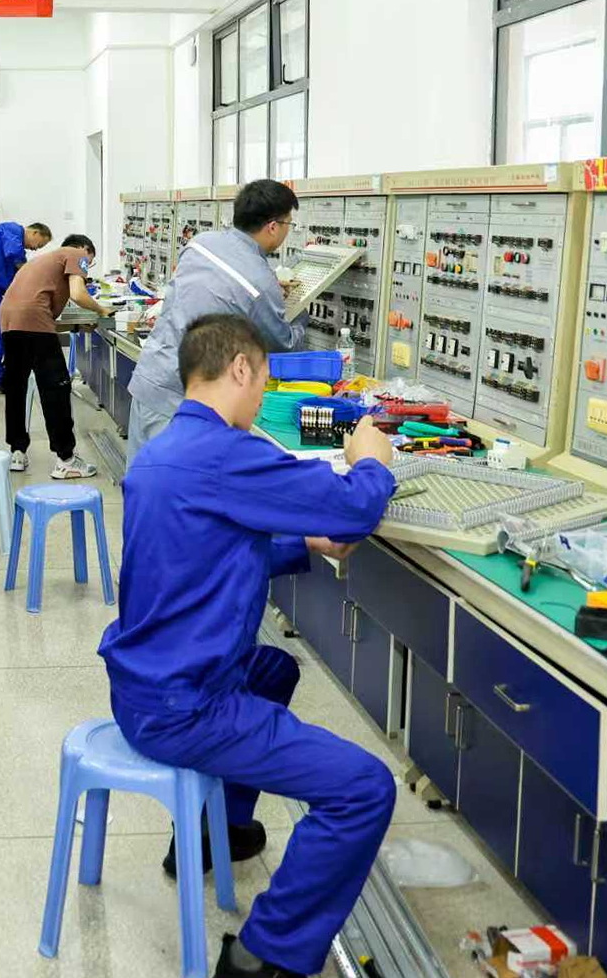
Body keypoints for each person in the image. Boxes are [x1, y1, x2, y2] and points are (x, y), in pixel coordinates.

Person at [98, 314, 397, 978]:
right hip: (186, 707)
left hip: (141, 682)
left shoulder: (166, 451)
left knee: (274, 669)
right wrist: (371, 461)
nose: (263, 398)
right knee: (364, 788)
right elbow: (354, 508)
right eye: (263, 381)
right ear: (240, 369)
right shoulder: (227, 454)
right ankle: (267, 956)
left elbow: (202, 550)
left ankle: (218, 832)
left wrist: (301, 542)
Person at [126, 179, 314, 462]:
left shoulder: (201, 243)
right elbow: (283, 343)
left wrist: (266, 291)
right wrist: (301, 311)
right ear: (273, 226)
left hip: (150, 377)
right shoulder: (260, 281)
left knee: (141, 478)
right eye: (289, 223)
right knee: (175, 484)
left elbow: (218, 288)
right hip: (182, 401)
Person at [0, 233, 110, 477]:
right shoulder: (77, 253)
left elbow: (37, 321)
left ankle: (17, 452)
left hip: (9, 321)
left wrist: (76, 326)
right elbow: (78, 294)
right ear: (84, 249)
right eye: (89, 263)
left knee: (16, 389)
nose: (85, 268)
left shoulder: (42, 261)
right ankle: (66, 459)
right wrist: (103, 310)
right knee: (55, 390)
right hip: (34, 321)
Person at [0, 219, 53, 395]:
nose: (35, 249)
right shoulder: (11, 230)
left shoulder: (17, 249)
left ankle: (1, 374)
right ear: (34, 232)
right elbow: (16, 258)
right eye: (38, 245)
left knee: (5, 331)